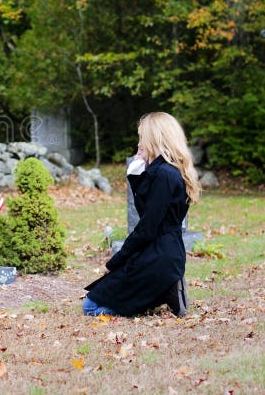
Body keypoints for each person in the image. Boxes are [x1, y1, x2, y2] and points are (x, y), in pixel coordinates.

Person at [83, 112, 201, 317]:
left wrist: (115, 261)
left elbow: (146, 228)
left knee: (91, 306)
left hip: (159, 256)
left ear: (154, 139)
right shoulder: (167, 170)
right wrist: (136, 176)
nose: (139, 144)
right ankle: (165, 288)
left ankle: (166, 289)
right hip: (162, 252)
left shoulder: (164, 174)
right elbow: (148, 214)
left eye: (142, 138)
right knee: (100, 294)